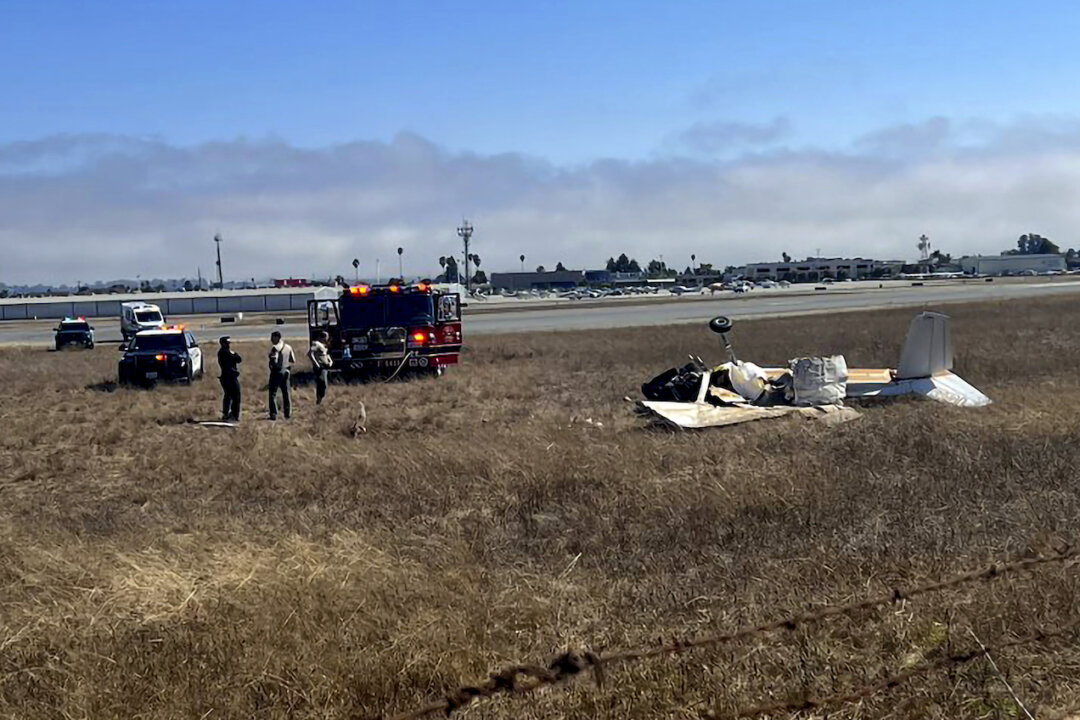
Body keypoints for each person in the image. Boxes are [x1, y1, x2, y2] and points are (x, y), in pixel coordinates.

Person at [267, 331, 296, 420]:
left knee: (273, 393)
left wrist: (272, 365)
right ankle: (288, 413)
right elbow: (293, 360)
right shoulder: (288, 347)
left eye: (272, 337)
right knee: (286, 393)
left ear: (277, 337)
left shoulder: (275, 348)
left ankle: (273, 414)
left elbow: (274, 360)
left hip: (277, 371)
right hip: (286, 370)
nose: (271, 339)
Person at [217, 336, 242, 422]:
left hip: (230, 377)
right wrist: (233, 354)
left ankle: (229, 414)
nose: (228, 345)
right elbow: (234, 359)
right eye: (226, 343)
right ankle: (232, 414)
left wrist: (234, 354)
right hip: (228, 377)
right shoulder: (223, 353)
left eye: (229, 343)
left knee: (230, 396)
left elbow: (239, 359)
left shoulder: (228, 352)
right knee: (234, 396)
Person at [307, 330, 333, 405]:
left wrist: (330, 361)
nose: (327, 339)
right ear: (323, 337)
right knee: (322, 383)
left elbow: (326, 355)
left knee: (324, 384)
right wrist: (316, 363)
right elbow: (310, 353)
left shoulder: (324, 345)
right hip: (320, 367)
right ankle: (319, 399)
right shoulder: (316, 344)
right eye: (326, 337)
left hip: (325, 367)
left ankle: (321, 399)